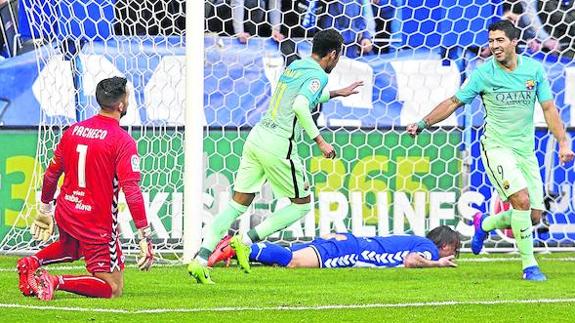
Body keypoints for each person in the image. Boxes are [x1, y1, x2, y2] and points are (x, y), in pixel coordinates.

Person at [188, 29, 363, 284]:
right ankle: (244, 241)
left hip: (257, 137)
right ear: (333, 54)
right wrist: (321, 141)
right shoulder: (318, 76)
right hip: (278, 143)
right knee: (301, 204)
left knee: (237, 204)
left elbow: (302, 96)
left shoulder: (295, 67)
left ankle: (200, 259)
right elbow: (301, 105)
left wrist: (337, 93)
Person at [407, 20, 574, 281]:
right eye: (491, 41)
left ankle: (484, 223)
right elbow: (454, 102)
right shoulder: (484, 73)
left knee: (533, 216)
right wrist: (422, 123)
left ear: (513, 42)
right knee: (521, 200)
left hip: (525, 151)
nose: (494, 46)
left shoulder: (534, 70)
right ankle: (530, 266)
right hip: (496, 148)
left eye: (500, 40)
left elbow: (549, 109)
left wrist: (563, 142)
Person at [17, 77, 154, 301]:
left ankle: (31, 263)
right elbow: (131, 190)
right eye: (127, 98)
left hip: (68, 211)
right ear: (121, 105)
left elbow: (52, 174)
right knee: (112, 287)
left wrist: (44, 210)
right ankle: (54, 281)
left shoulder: (74, 131)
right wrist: (144, 235)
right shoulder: (122, 141)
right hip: (96, 223)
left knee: (71, 249)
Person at [209, 225, 460, 269]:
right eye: (454, 251)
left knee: (289, 257)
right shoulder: (429, 248)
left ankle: (233, 247)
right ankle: (238, 245)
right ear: (446, 245)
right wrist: (436, 262)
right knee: (292, 261)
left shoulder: (419, 239)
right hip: (351, 250)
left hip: (347, 241)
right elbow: (411, 261)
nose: (453, 256)